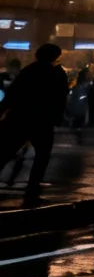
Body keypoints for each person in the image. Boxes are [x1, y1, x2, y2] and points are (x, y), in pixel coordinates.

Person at [0, 45, 66, 193]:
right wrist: (57, 117)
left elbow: (12, 94)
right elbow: (60, 99)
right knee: (42, 155)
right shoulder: (57, 73)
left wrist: (2, 111)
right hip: (43, 120)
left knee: (7, 150)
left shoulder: (29, 70)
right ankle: (33, 184)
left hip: (21, 117)